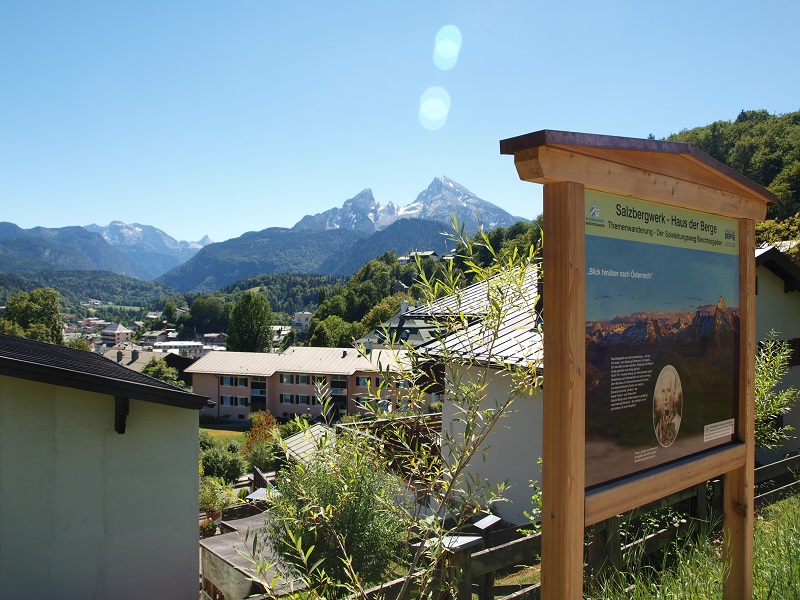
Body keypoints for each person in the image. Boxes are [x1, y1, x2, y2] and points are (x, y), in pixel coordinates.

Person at [653, 365, 682, 447]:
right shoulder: (658, 426)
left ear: (673, 393)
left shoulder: (678, 421)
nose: (665, 397)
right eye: (663, 391)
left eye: (668, 390)